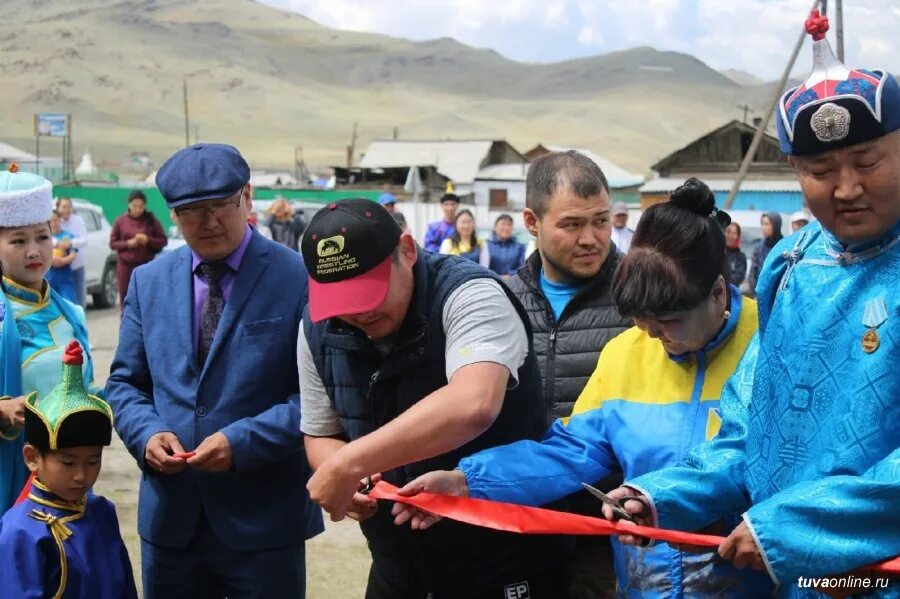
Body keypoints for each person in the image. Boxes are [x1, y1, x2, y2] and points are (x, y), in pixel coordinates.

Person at [606, 14, 900, 596]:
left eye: (868, 163)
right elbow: (751, 428)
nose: (845, 188)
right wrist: (660, 495)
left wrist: (792, 527)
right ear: (794, 173)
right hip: (790, 578)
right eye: (820, 171)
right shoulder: (791, 268)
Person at [395, 178, 773, 598]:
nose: (652, 336)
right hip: (648, 584)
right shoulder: (625, 352)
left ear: (719, 292)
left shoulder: (776, 346)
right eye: (641, 321)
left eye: (667, 321)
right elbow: (573, 451)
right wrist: (468, 481)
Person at [298, 198, 566, 598]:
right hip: (397, 562)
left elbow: (473, 403)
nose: (358, 314)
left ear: (407, 251)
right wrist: (345, 474)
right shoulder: (316, 329)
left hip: (501, 557)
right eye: (342, 301)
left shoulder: (472, 295)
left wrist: (349, 463)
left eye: (368, 293)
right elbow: (320, 432)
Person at [106, 144, 323, 599]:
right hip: (171, 522)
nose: (207, 222)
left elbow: (320, 397)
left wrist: (241, 442)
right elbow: (125, 383)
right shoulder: (149, 281)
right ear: (173, 215)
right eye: (191, 212)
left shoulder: (299, 278)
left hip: (265, 524)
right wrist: (147, 435)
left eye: (220, 206)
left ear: (248, 196)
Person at [506, 150, 631, 598]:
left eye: (601, 221)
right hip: (515, 522)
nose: (592, 238)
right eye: (572, 224)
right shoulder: (495, 301)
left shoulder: (642, 296)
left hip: (609, 528)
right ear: (532, 221)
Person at [0, 341, 138, 598]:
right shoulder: (20, 532)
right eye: (68, 462)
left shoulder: (102, 511)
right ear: (32, 458)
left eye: (93, 461)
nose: (81, 475)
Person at [0, 165, 97, 513]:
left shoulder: (71, 312)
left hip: (66, 483)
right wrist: (3, 409)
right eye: (18, 240)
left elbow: (83, 391)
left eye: (42, 237)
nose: (34, 251)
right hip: (8, 481)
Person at [109, 189, 167, 312]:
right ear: (129, 205)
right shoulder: (120, 221)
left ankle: (146, 329)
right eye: (135, 206)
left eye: (141, 206)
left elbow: (163, 240)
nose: (137, 209)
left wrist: (148, 240)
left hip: (146, 265)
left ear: (145, 206)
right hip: (125, 267)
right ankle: (126, 328)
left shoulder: (151, 220)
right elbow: (113, 243)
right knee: (126, 300)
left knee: (146, 299)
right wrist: (128, 243)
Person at [55, 197, 88, 308]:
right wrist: (58, 243)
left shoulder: (78, 220)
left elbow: (84, 240)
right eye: (64, 207)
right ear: (58, 208)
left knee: (80, 301)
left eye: (69, 207)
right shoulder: (55, 221)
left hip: (77, 266)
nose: (67, 210)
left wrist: (70, 243)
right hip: (59, 269)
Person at [47, 209, 78, 303]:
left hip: (64, 279)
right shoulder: (44, 238)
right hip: (48, 278)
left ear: (60, 220)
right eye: (51, 221)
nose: (53, 223)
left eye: (55, 220)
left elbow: (73, 255)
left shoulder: (68, 236)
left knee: (69, 304)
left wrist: (62, 261)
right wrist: (51, 260)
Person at [747, 211, 782, 293]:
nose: (763, 227)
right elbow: (753, 272)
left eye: (767, 224)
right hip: (761, 293)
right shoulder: (759, 247)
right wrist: (755, 292)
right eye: (762, 224)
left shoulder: (784, 245)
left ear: (776, 225)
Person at [486, 213, 525, 278]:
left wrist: (511, 275)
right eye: (503, 224)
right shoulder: (487, 246)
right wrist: (497, 276)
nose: (506, 227)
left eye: (509, 225)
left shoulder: (519, 247)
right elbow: (482, 266)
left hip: (513, 282)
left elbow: (522, 267)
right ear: (495, 227)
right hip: (491, 282)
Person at [724, 222, 747, 287]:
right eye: (728, 232)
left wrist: (723, 280)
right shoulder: (718, 253)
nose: (730, 236)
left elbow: (739, 277)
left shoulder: (741, 257)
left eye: (734, 233)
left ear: (738, 236)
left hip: (732, 293)